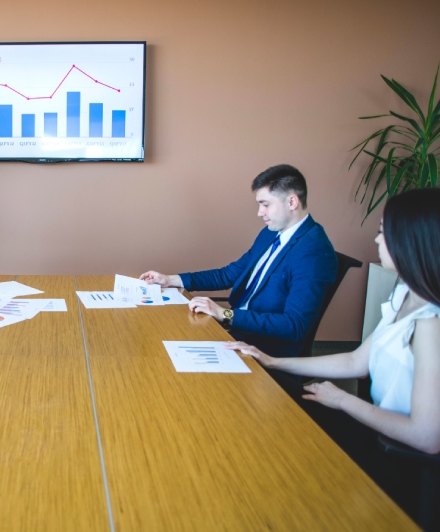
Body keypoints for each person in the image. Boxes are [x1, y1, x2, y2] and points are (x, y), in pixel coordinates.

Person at [226, 188, 440, 517]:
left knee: (278, 430)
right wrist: (271, 360)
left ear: (413, 240)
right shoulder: (406, 294)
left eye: (383, 232)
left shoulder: (432, 322)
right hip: (376, 429)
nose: (377, 241)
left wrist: (342, 400)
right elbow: (357, 361)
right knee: (268, 399)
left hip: (399, 458)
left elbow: (426, 438)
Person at [141, 164, 337, 358]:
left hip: (264, 349)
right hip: (236, 331)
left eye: (266, 204)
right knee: (157, 337)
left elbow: (294, 326)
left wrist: (225, 314)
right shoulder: (272, 233)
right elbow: (229, 274)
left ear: (292, 202)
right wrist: (170, 280)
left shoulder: (314, 252)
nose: (260, 212)